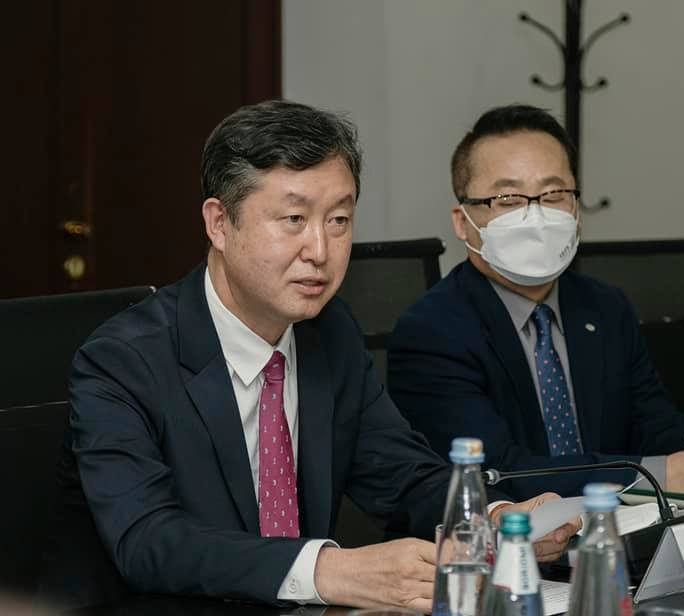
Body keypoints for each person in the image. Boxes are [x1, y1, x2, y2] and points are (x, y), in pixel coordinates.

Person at [59, 101, 576, 612]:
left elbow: (401, 476)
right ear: (219, 223)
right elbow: (148, 540)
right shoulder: (123, 361)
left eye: (339, 220)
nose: (320, 250)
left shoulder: (329, 333)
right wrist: (330, 570)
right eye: (293, 219)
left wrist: (493, 520)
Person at [388, 104, 684, 502]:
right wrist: (660, 474)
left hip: (618, 527)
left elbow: (653, 423)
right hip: (510, 535)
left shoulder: (605, 306)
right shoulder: (432, 331)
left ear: (576, 208)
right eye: (508, 199)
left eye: (553, 194)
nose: (535, 216)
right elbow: (495, 471)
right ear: (463, 222)